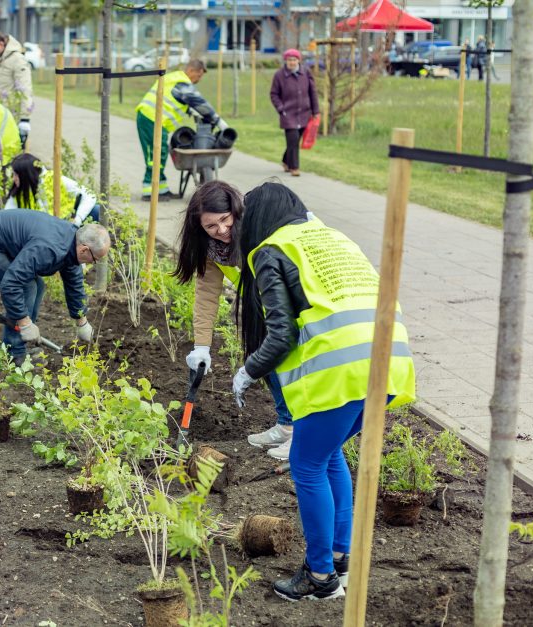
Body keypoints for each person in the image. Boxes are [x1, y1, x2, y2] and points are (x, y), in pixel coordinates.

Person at [231, 182, 415, 602]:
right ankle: (338, 557)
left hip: (343, 370)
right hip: (389, 359)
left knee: (307, 463)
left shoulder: (269, 251)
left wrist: (246, 371)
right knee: (329, 455)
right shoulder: (332, 238)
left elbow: (280, 335)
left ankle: (318, 576)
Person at [173, 181, 294, 458]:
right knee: (263, 358)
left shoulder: (257, 229)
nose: (222, 230)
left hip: (288, 303)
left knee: (290, 363)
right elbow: (206, 295)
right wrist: (201, 346)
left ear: (236, 211)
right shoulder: (210, 250)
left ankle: (302, 433)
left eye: (225, 220)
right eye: (211, 226)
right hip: (260, 308)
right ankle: (286, 425)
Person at [0, 209, 110, 361]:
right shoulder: (49, 247)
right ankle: (14, 354)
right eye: (95, 259)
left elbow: (74, 282)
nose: (93, 263)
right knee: (26, 287)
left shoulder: (71, 241)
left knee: (38, 286)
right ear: (84, 250)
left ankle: (18, 345)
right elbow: (11, 284)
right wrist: (24, 322)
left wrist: (81, 321)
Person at [135, 59, 227, 200]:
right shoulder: (181, 82)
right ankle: (149, 191)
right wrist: (218, 121)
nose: (199, 79)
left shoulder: (175, 79)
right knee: (154, 155)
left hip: (155, 120)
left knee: (161, 153)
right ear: (191, 70)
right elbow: (198, 101)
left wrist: (191, 111)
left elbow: (179, 100)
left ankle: (162, 189)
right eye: (199, 75)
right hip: (150, 118)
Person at [3, 153, 100, 226]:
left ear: (26, 175)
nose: (13, 178)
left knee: (96, 210)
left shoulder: (54, 180)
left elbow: (89, 195)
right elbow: (6, 217)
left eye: (16, 175)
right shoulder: (19, 192)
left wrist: (77, 219)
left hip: (67, 223)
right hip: (44, 232)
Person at [270, 49, 319, 177]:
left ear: (299, 60)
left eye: (294, 60)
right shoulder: (279, 75)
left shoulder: (306, 73)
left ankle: (286, 160)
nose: (292, 62)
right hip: (288, 114)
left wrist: (315, 111)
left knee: (295, 141)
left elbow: (312, 93)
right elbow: (274, 94)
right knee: (293, 140)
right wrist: (281, 108)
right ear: (286, 61)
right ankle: (294, 167)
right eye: (289, 60)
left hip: (304, 113)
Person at [0, 29, 33, 147]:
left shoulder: (17, 60)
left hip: (11, 115)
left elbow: (25, 89)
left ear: (1, 45)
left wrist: (25, 119)